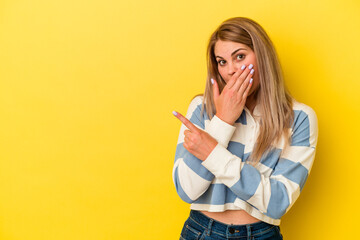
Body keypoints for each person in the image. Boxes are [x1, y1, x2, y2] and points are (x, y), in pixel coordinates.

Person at [172, 17, 318, 240]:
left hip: (262, 234)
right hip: (201, 231)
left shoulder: (299, 118)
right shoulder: (201, 109)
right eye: (222, 62)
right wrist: (223, 120)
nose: (231, 71)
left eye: (239, 57)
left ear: (263, 58)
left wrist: (211, 152)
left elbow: (277, 202)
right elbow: (187, 190)